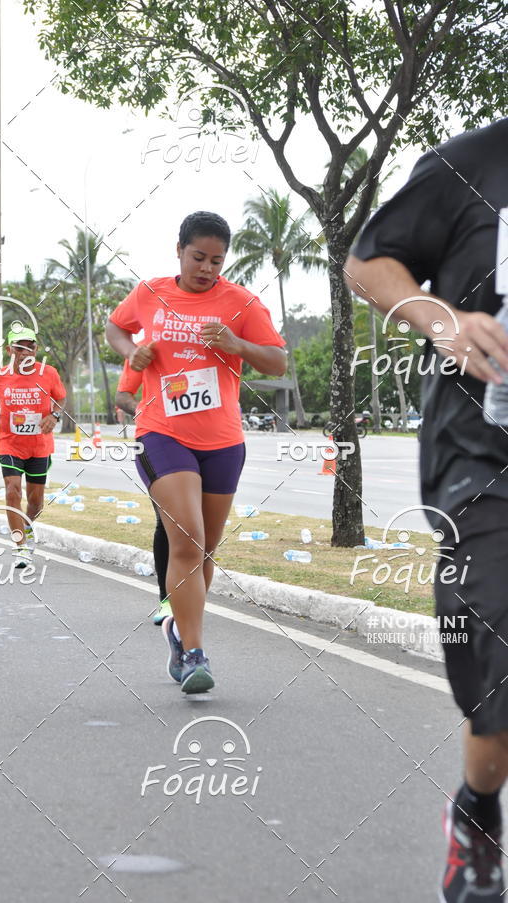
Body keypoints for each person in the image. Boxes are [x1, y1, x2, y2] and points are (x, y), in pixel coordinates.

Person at [345, 118, 508, 902]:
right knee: (500, 631)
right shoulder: (470, 164)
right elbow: (368, 261)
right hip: (481, 455)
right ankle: (478, 817)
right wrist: (445, 321)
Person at [106, 210, 286, 694]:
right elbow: (116, 327)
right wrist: (131, 353)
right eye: (198, 257)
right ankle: (194, 653)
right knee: (186, 540)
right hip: (163, 432)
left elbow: (277, 360)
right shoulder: (151, 292)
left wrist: (236, 343)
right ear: (180, 251)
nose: (207, 268)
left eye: (217, 261)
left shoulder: (241, 302)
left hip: (224, 441)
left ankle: (175, 631)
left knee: (205, 548)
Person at [0, 327, 66, 568]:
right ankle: (20, 546)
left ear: (36, 349)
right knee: (12, 490)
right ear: (10, 350)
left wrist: (55, 416)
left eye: (31, 346)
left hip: (39, 444)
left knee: (36, 500)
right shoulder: (0, 374)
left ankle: (27, 528)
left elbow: (60, 398)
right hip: (9, 442)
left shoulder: (48, 373)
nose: (26, 352)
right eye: (20, 347)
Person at [115, 358, 171, 626]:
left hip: (207, 440)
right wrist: (147, 410)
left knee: (200, 526)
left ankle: (190, 594)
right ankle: (167, 599)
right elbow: (123, 395)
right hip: (157, 439)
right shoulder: (146, 347)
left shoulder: (210, 342)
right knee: (168, 519)